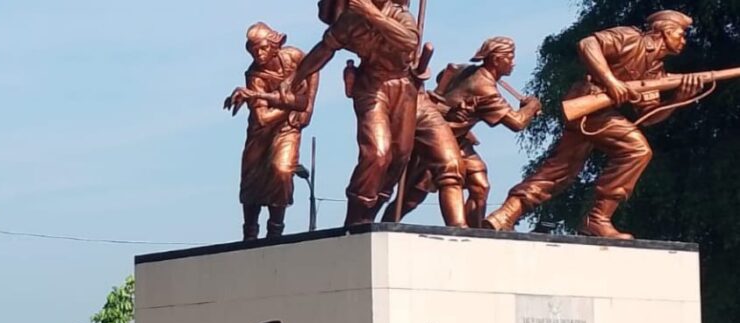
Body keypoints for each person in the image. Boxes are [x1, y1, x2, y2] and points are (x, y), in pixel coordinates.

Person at [484, 11, 704, 239]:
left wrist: (677, 100)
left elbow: (648, 116)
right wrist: (611, 82)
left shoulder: (655, 71)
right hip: (589, 106)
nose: (684, 40)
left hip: (596, 115)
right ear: (666, 31)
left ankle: (505, 215)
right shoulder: (629, 37)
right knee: (637, 150)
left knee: (559, 172)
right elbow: (588, 44)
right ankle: (597, 219)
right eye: (682, 34)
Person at [288, 0, 420, 226]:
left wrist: (372, 14)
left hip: (403, 85)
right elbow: (325, 49)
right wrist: (295, 78)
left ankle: (370, 214)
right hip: (371, 85)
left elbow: (409, 41)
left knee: (400, 157)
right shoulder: (351, 19)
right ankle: (355, 216)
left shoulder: (399, 14)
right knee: (377, 154)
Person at [384, 37, 541, 227]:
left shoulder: (467, 70)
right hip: (435, 139)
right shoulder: (485, 89)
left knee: (480, 184)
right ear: (496, 60)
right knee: (412, 195)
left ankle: (476, 234)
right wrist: (532, 106)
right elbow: (517, 123)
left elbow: (444, 74)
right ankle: (387, 227)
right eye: (509, 57)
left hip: (459, 140)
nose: (513, 63)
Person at [225, 22, 319, 241]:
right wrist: (294, 105)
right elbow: (263, 117)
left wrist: (309, 105)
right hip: (261, 133)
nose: (259, 53)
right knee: (253, 181)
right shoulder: (255, 76)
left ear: (276, 45)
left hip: (288, 128)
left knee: (282, 170)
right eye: (254, 49)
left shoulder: (293, 56)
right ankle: (250, 235)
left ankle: (275, 233)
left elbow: (314, 71)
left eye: (264, 48)